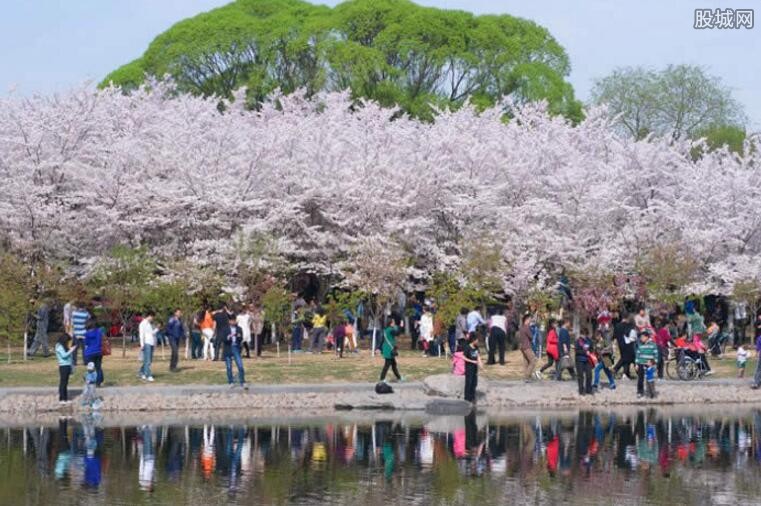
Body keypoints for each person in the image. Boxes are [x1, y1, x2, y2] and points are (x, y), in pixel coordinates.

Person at [223, 315, 246, 387]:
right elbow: (223, 339)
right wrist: (228, 337)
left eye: (234, 320)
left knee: (240, 365)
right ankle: (230, 382)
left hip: (236, 347)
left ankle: (242, 381)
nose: (233, 322)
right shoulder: (225, 329)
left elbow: (241, 338)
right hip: (228, 348)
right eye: (232, 320)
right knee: (229, 366)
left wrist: (238, 336)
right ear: (229, 321)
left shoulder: (239, 328)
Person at [635, 330, 659, 399]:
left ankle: (651, 393)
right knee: (640, 379)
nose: (641, 338)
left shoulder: (653, 345)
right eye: (640, 337)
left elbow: (656, 356)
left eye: (642, 337)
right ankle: (640, 392)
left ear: (647, 337)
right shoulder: (640, 345)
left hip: (649, 365)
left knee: (650, 380)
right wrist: (636, 364)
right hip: (641, 364)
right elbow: (638, 355)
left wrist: (652, 362)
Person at [613, 315, 637, 380]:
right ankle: (616, 369)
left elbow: (614, 335)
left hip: (620, 344)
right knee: (626, 358)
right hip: (628, 344)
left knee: (626, 359)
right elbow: (631, 335)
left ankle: (626, 373)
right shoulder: (628, 325)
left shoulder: (617, 325)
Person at [55, 334, 77, 404]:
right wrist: (71, 350)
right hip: (63, 366)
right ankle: (61, 399)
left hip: (68, 365)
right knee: (63, 383)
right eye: (67, 341)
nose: (68, 343)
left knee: (66, 383)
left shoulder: (64, 346)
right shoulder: (59, 346)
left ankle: (65, 398)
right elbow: (64, 355)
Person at [380, 317, 402, 383]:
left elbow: (382, 340)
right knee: (387, 365)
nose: (394, 323)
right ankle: (382, 379)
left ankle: (399, 377)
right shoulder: (390, 330)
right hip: (389, 350)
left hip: (388, 349)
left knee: (394, 365)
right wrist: (400, 326)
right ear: (390, 323)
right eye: (393, 322)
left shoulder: (386, 329)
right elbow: (397, 333)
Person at [462, 333, 483, 403]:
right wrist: (472, 361)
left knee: (474, 383)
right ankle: (467, 398)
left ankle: (472, 397)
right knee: (469, 382)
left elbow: (478, 356)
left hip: (474, 368)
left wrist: (480, 364)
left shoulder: (476, 348)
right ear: (473, 340)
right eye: (477, 340)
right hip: (469, 368)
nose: (478, 341)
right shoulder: (468, 347)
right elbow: (463, 357)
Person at [83, 319, 104, 387]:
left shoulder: (86, 334)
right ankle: (99, 381)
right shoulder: (98, 332)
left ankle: (91, 380)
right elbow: (100, 340)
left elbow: (86, 343)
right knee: (98, 367)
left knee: (91, 368)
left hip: (89, 353)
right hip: (98, 351)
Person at [518, 314, 539, 381]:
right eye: (530, 319)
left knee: (526, 362)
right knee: (533, 361)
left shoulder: (521, 327)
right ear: (526, 319)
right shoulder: (526, 327)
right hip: (527, 346)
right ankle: (527, 377)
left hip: (522, 346)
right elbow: (531, 336)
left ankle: (527, 377)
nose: (530, 321)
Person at [138, 311, 156, 382]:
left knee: (148, 360)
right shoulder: (143, 324)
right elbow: (141, 334)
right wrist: (142, 344)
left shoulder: (149, 324)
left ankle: (142, 372)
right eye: (152, 317)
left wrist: (157, 329)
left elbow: (151, 333)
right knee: (148, 360)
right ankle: (148, 375)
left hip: (151, 343)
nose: (152, 319)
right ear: (149, 316)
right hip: (146, 343)